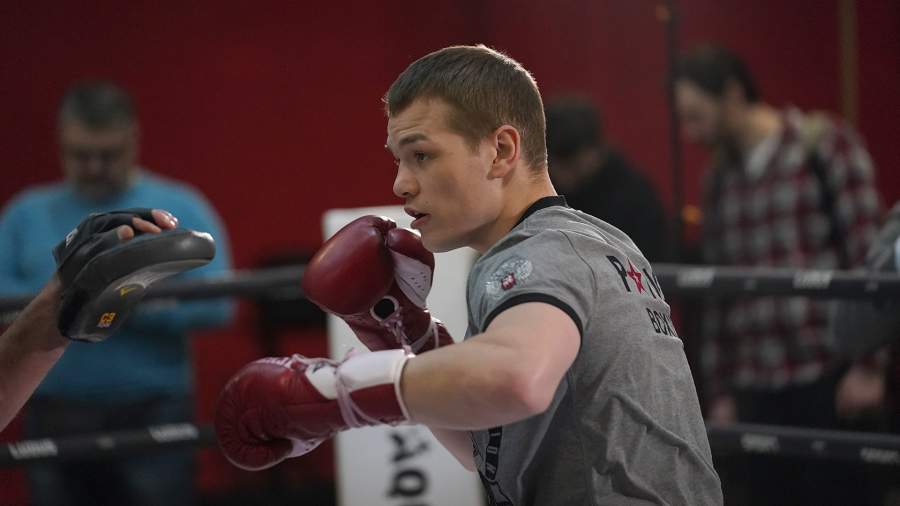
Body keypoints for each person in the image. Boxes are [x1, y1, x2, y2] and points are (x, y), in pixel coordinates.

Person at [215, 45, 722, 505]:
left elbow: (515, 380)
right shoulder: (596, 241)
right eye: (399, 160)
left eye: (422, 155)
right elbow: (487, 447)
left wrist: (331, 393)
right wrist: (408, 332)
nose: (401, 183)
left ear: (500, 151)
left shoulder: (540, 252)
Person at [0, 82, 233, 506]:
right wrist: (77, 298)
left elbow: (219, 303)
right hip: (53, 407)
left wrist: (126, 296)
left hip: (151, 406)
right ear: (61, 142)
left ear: (133, 139)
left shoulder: (180, 208)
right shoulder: (24, 214)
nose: (93, 167)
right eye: (80, 154)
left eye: (107, 154)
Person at [672, 44, 885, 504]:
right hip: (755, 385)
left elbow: (872, 261)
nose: (690, 133)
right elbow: (719, 293)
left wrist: (871, 367)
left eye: (697, 116)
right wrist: (721, 391)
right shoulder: (718, 179)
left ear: (732, 94)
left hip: (828, 373)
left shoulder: (824, 146)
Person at [0, 209, 182, 431]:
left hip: (151, 396)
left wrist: (63, 288)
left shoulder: (183, 205)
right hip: (58, 400)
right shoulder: (25, 213)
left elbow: (214, 305)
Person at [545, 95, 670, 261]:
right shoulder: (544, 194)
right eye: (556, 165)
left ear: (595, 150)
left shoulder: (632, 197)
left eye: (572, 165)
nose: (564, 175)